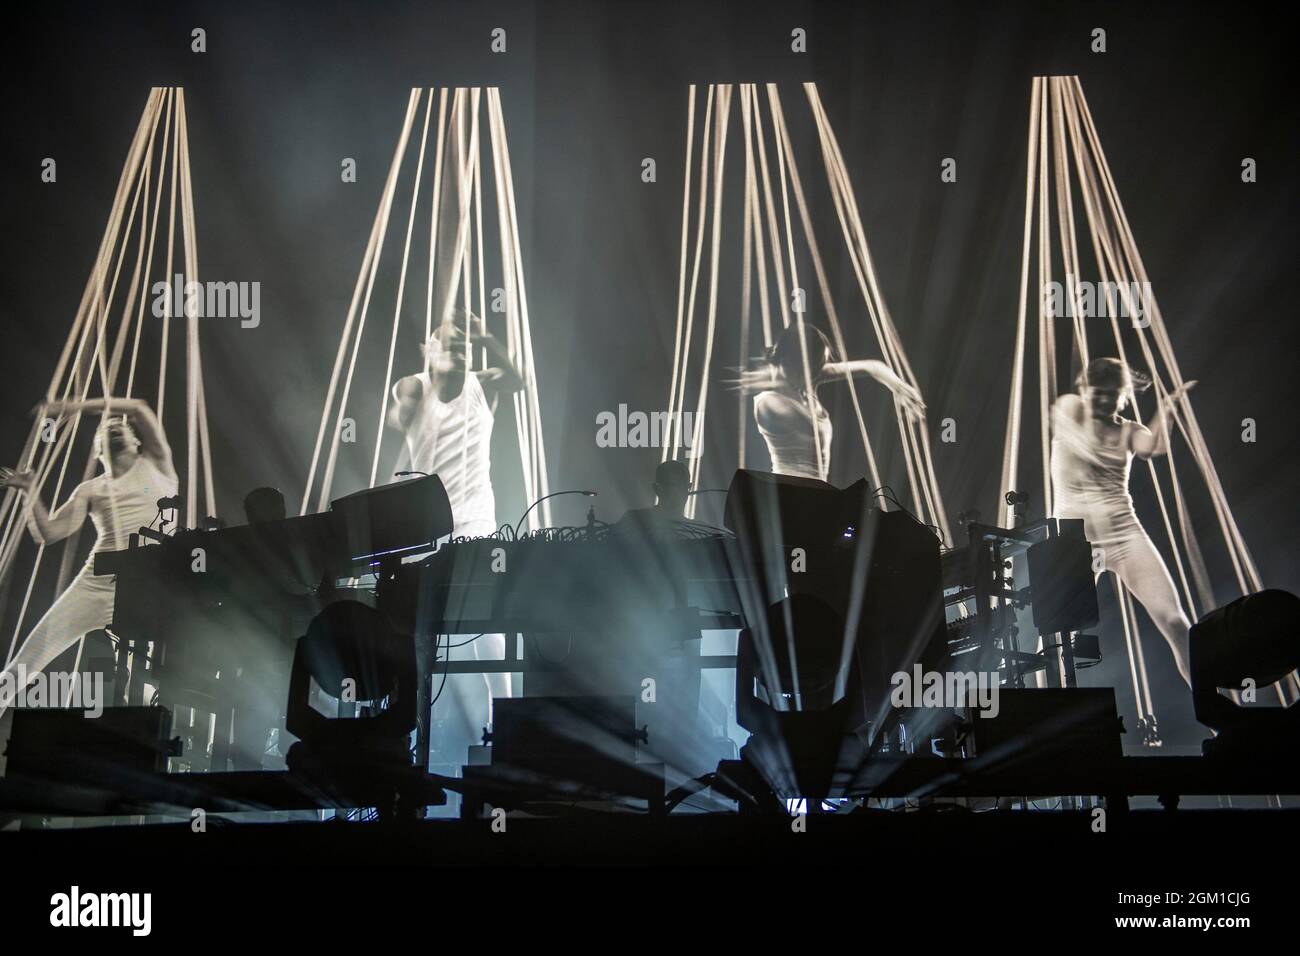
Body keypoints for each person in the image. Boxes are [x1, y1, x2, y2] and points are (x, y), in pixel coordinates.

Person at [386, 309, 523, 738]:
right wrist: (405, 412)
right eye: (450, 345)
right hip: (425, 528)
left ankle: (502, 720)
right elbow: (401, 413)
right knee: (417, 622)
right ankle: (404, 727)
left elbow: (518, 380)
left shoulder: (483, 385)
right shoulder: (413, 385)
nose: (459, 352)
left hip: (476, 522)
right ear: (429, 350)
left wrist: (486, 336)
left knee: (488, 622)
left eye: (465, 347)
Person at [0, 397, 177, 715]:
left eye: (121, 425)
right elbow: (50, 533)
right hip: (95, 583)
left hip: (147, 588)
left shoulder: (157, 462)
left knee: (154, 683)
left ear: (137, 441)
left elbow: (137, 407)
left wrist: (69, 409)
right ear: (97, 450)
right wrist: (30, 491)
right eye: (106, 427)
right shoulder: (90, 490)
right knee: (21, 667)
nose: (114, 425)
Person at [1050, 357, 1196, 685]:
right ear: (1083, 390)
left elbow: (1154, 446)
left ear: (1124, 395)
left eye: (1111, 394)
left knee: (1176, 623)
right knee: (1053, 634)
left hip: (1124, 534)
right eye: (1096, 392)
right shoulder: (1069, 409)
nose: (1102, 400)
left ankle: (1218, 714)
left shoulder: (1130, 430)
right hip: (1073, 540)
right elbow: (1065, 424)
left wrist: (1167, 409)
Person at [735, 322, 924, 482]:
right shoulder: (769, 404)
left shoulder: (807, 379)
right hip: (788, 495)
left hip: (817, 495)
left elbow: (872, 367)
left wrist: (900, 387)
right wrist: (770, 373)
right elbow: (804, 421)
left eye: (817, 369)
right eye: (808, 368)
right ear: (787, 358)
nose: (812, 376)